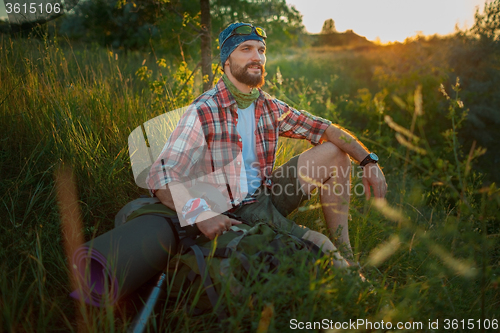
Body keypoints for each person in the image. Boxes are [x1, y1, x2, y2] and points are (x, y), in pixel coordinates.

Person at [147, 22, 387, 268]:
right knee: (318, 243)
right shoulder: (204, 110)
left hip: (266, 193)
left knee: (336, 153)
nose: (257, 57)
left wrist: (368, 161)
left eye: (261, 50)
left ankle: (345, 256)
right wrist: (200, 213)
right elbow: (160, 175)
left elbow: (325, 129)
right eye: (246, 49)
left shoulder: (267, 105)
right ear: (227, 60)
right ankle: (354, 285)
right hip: (235, 210)